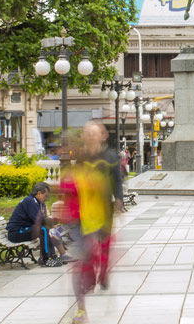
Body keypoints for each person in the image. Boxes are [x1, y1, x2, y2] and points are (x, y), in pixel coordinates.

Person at [67, 121, 124, 323]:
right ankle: (83, 302)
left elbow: (117, 180)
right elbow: (72, 184)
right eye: (87, 134)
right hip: (83, 214)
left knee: (105, 245)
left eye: (93, 134)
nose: (90, 137)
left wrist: (118, 199)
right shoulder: (79, 157)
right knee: (87, 253)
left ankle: (104, 273)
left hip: (104, 209)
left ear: (101, 136)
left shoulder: (110, 157)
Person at [7, 182, 64, 267]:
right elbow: (40, 221)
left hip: (24, 230)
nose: (47, 198)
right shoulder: (30, 201)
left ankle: (52, 257)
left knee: (45, 229)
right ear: (39, 193)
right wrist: (55, 221)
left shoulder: (37, 202)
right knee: (43, 229)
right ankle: (45, 259)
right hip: (16, 232)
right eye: (46, 196)